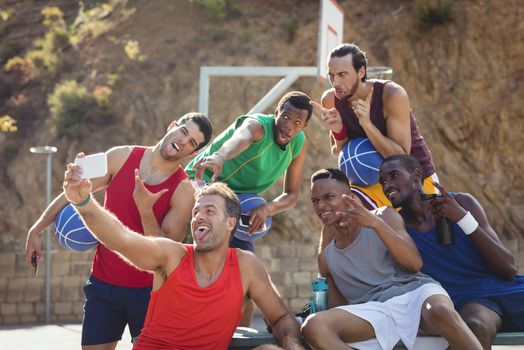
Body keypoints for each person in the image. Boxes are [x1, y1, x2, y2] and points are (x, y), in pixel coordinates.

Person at [62, 164, 305, 350]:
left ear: (230, 222)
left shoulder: (245, 265)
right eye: (196, 211)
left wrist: (292, 344)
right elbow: (121, 239)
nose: (199, 216)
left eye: (209, 211)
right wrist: (84, 203)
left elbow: (282, 316)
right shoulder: (172, 256)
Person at [25, 112, 213, 349]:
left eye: (192, 143)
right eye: (184, 131)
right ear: (172, 126)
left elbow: (165, 251)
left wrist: (145, 210)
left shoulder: (183, 191)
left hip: (150, 292)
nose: (183, 141)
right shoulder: (120, 156)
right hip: (103, 283)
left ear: (193, 153)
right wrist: (37, 228)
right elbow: (73, 191)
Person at [302, 168, 482, 350]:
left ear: (348, 196)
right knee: (314, 326)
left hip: (415, 294)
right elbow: (337, 306)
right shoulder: (327, 256)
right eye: (315, 201)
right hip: (375, 311)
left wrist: (374, 224)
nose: (320, 206)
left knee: (441, 311)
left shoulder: (383, 216)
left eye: (329, 197)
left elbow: (414, 264)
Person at [380, 155, 524, 349]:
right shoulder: (396, 229)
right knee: (475, 326)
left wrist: (463, 219)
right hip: (472, 302)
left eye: (393, 175)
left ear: (416, 175)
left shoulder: (462, 202)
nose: (387, 184)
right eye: (383, 181)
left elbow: (508, 269)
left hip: (512, 291)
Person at [311, 43, 438, 209]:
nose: (335, 82)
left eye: (342, 74)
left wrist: (367, 124)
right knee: (340, 213)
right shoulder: (330, 99)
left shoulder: (392, 94)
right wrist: (339, 131)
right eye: (331, 75)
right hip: (368, 181)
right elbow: (337, 150)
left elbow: (402, 157)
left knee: (422, 233)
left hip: (413, 178)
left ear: (361, 71)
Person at [185, 91, 312, 253]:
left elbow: (291, 195)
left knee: (243, 257)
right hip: (199, 179)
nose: (289, 126)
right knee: (204, 242)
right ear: (276, 114)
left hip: (234, 200)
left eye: (297, 122)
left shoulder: (298, 144)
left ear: (304, 126)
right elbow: (240, 138)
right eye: (286, 117)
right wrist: (220, 156)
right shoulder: (257, 126)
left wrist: (268, 208)